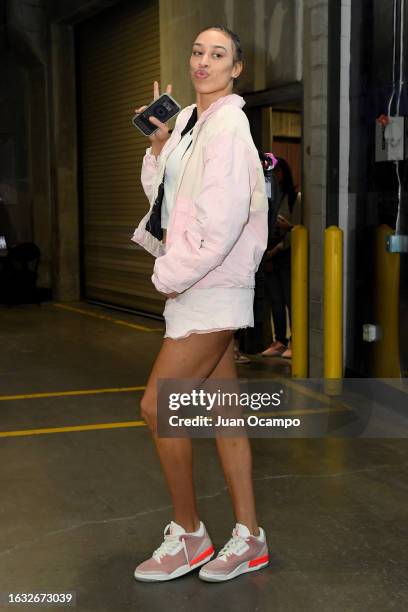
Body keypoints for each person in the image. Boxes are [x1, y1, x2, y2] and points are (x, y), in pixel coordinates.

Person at [131, 25, 269, 583]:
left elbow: (221, 223)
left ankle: (189, 535)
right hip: (198, 285)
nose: (203, 62)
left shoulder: (230, 127)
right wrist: (159, 145)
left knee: (155, 408)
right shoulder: (191, 120)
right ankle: (250, 539)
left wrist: (170, 275)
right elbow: (168, 202)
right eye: (197, 52)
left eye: (218, 55)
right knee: (225, 416)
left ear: (237, 69)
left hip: (209, 287)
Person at [262, 157, 301, 359]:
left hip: (285, 254)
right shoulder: (268, 198)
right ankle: (279, 341)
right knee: (275, 301)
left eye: (277, 171)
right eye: (271, 172)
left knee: (289, 299)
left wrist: (286, 229)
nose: (274, 176)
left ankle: (296, 341)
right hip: (269, 254)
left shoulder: (295, 198)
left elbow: (297, 230)